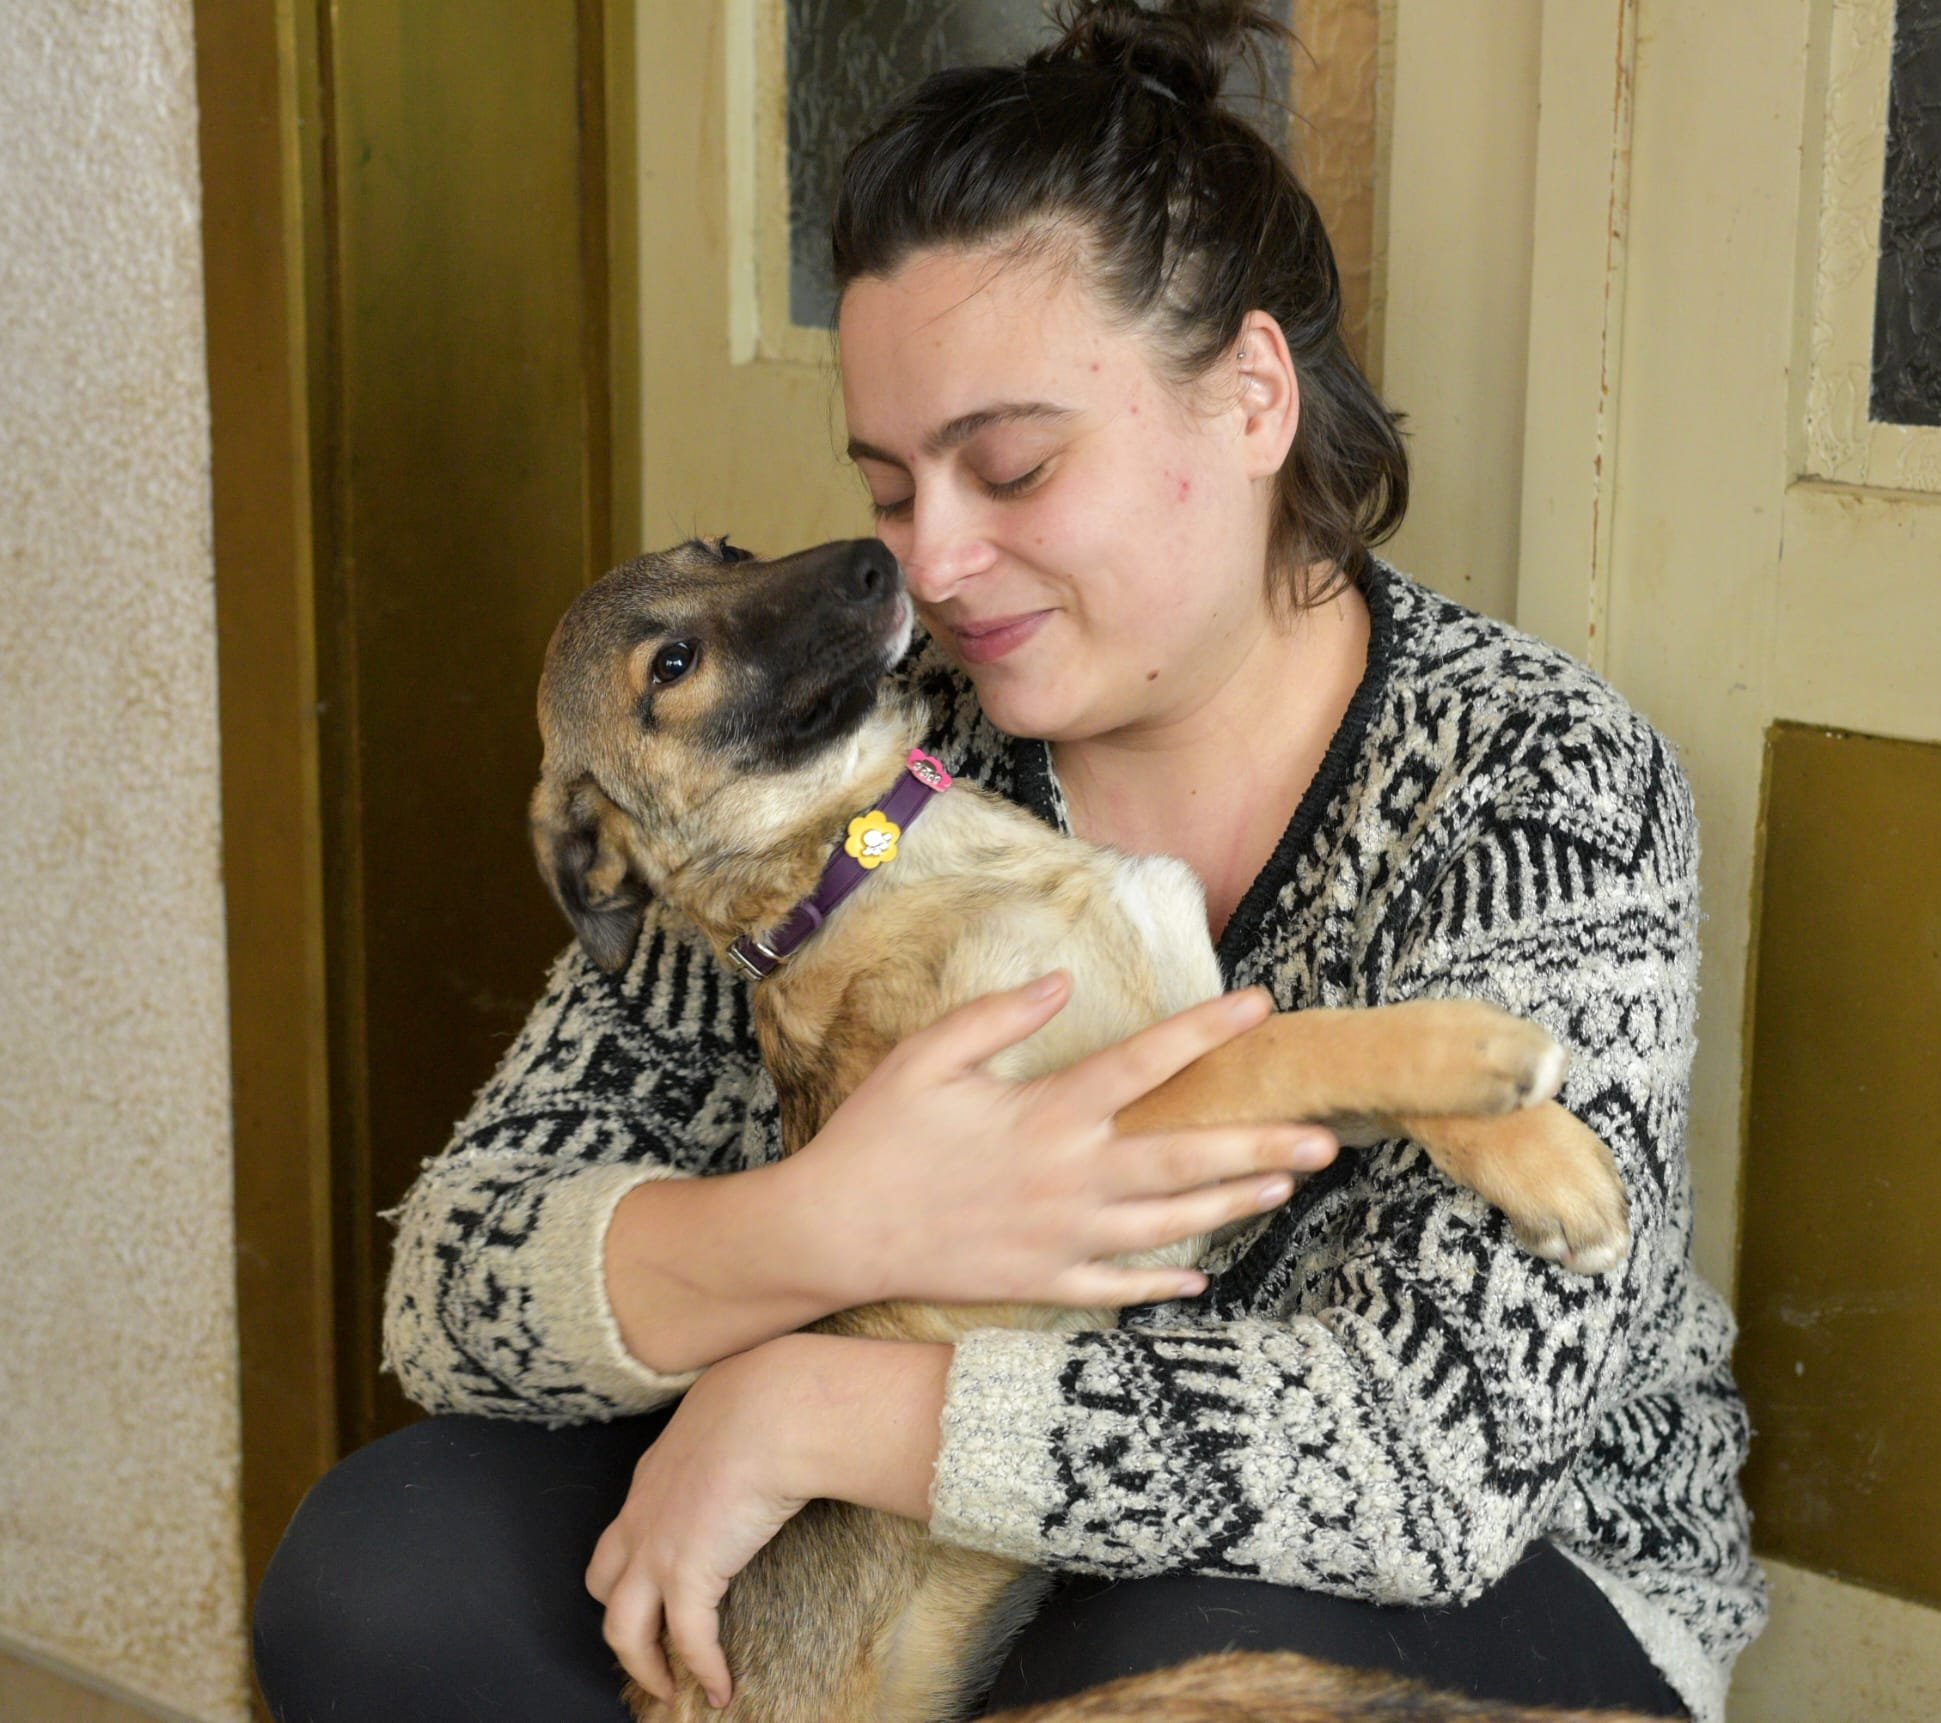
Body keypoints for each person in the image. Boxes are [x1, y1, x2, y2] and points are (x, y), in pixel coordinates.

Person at [252, 3, 1766, 1719]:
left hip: (1485, 1570)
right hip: (928, 1552)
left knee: (1160, 1681)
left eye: (1015, 466)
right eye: (893, 488)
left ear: (1254, 396)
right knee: (385, 1576)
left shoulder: (1537, 775)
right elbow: (457, 1276)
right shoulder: (848, 754)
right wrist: (827, 1227)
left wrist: (805, 1409)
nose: (938, 564)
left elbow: (1436, 1459)